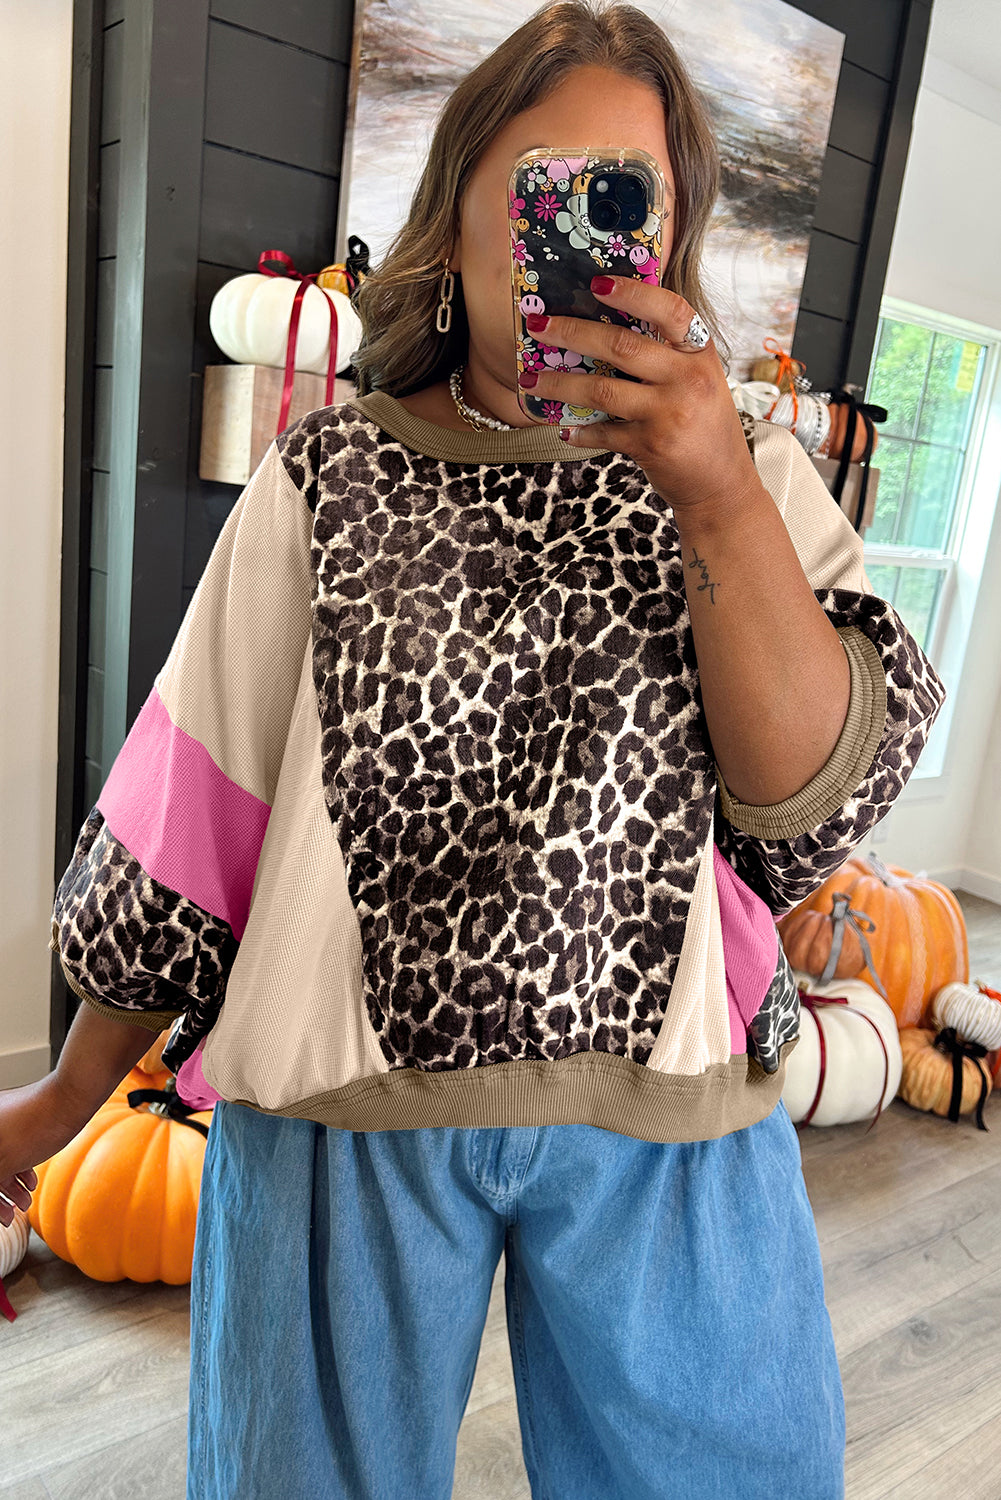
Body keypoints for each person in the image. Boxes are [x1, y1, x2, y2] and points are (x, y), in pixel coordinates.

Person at [2, 3, 946, 1497]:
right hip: (339, 1111)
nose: (584, 234)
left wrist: (712, 494)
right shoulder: (329, 477)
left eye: (627, 198)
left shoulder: (749, 471)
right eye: (548, 187)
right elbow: (188, 827)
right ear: (456, 215)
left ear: (670, 236)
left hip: (669, 1102)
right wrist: (62, 1103)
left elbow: (806, 811)